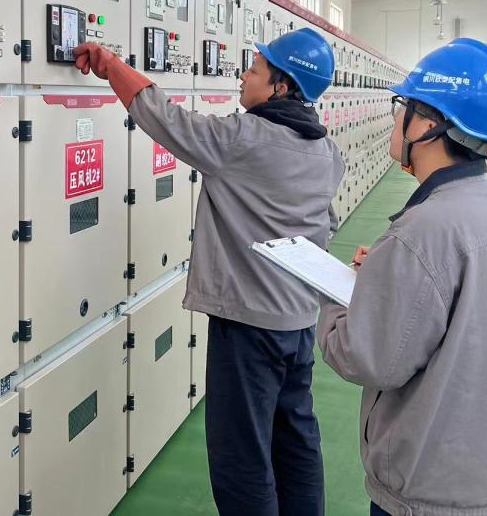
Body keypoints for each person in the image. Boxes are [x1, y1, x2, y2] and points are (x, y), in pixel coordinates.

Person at [74, 28, 343, 516]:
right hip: (299, 321)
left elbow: (165, 118)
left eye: (254, 70)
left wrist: (110, 64)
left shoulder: (243, 139)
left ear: (281, 86)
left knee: (242, 453)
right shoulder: (327, 151)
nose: (243, 76)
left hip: (247, 327)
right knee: (294, 437)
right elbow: (327, 224)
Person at [317, 37, 487, 516]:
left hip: (429, 494)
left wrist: (337, 291)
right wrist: (387, 276)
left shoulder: (422, 232)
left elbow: (366, 359)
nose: (394, 117)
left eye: (402, 106)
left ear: (428, 125)